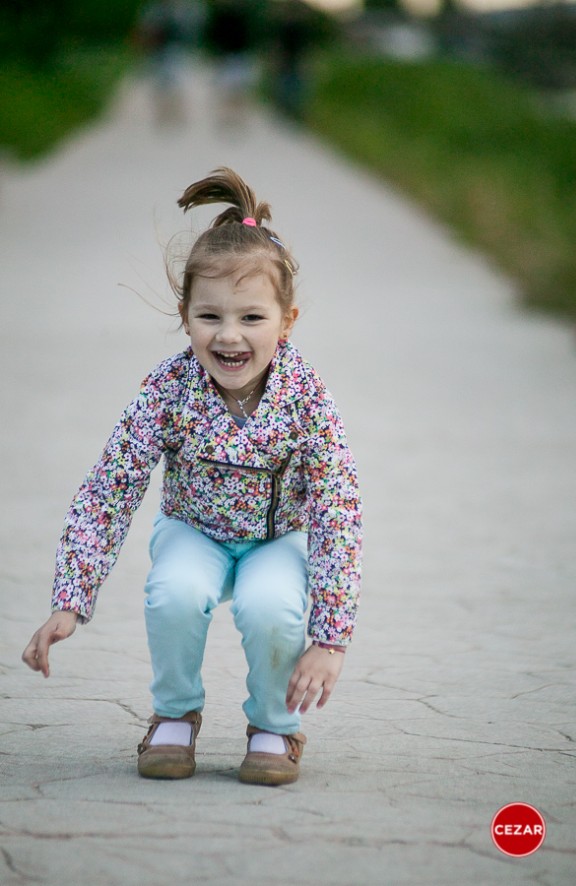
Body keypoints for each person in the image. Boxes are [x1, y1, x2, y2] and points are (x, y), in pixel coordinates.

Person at [22, 168, 362, 787]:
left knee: (271, 607)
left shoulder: (307, 398)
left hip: (275, 539)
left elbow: (338, 512)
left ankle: (272, 726)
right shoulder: (168, 389)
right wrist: (71, 598)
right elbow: (110, 488)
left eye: (252, 318)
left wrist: (330, 638)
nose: (229, 335)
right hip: (193, 531)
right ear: (185, 317)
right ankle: (174, 714)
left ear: (286, 321)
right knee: (174, 593)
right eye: (210, 315)